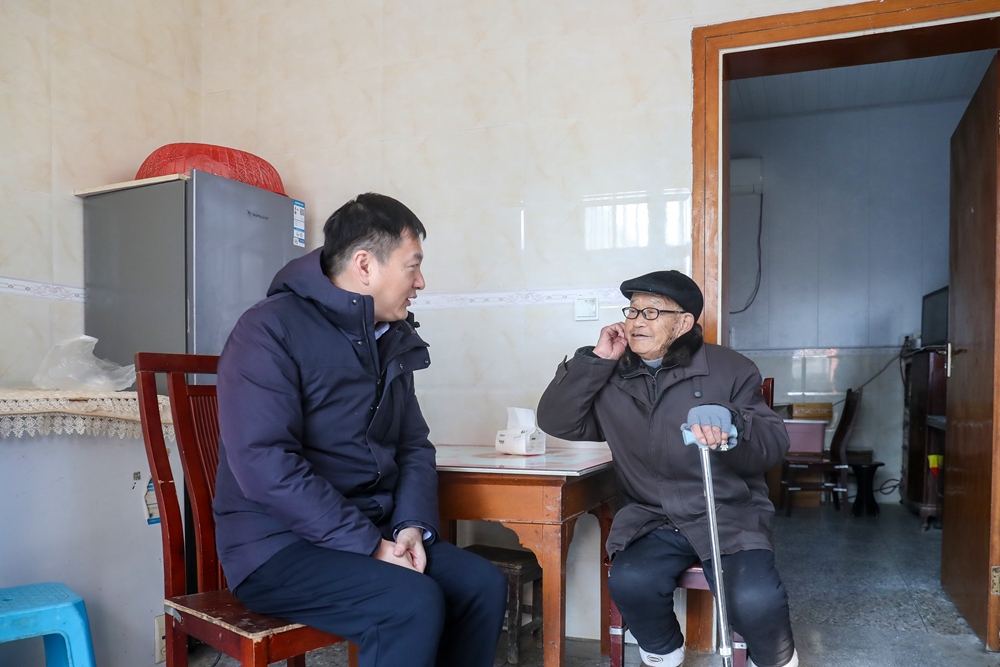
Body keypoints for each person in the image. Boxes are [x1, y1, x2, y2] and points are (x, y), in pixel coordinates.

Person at [212, 193, 507, 667]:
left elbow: (413, 445)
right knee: (410, 602)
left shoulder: (390, 338)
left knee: (481, 584)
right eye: (413, 267)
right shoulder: (267, 329)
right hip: (275, 545)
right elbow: (264, 463)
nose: (421, 282)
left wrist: (411, 526)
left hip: (370, 529)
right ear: (365, 265)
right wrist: (368, 545)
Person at [537, 270, 797, 667]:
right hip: (652, 517)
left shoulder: (730, 368)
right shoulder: (611, 373)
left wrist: (732, 423)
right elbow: (558, 422)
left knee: (754, 599)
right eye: (633, 310)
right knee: (631, 581)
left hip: (726, 513)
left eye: (652, 311)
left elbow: (772, 445)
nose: (637, 321)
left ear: (684, 322)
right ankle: (664, 654)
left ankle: (776, 660)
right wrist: (596, 361)